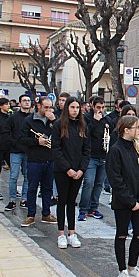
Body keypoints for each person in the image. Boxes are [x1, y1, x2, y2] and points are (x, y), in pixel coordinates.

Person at [106, 115, 139, 277]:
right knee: (122, 235)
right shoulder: (116, 150)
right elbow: (115, 179)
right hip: (123, 202)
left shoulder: (137, 147)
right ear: (126, 130)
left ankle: (132, 267)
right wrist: (131, 201)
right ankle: (122, 270)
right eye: (136, 128)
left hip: (138, 201)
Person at [52, 97, 90, 248]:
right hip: (62, 170)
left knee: (72, 202)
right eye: (72, 107)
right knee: (62, 201)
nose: (75, 110)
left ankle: (72, 233)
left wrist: (81, 169)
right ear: (67, 108)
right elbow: (56, 149)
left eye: (77, 107)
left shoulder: (83, 126)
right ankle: (61, 233)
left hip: (78, 171)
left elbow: (87, 150)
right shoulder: (58, 125)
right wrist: (67, 169)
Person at [19, 97, 57, 227]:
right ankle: (31, 215)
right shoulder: (29, 121)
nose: (48, 110)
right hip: (35, 159)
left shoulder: (53, 120)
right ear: (38, 106)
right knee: (32, 188)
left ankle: (46, 214)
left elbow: (62, 135)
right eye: (46, 107)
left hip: (50, 159)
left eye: (50, 107)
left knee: (48, 188)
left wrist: (54, 121)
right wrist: (37, 142)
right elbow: (21, 139)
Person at [79, 97, 112, 221]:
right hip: (90, 157)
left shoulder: (107, 120)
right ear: (92, 106)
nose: (101, 110)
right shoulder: (86, 118)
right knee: (88, 183)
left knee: (99, 185)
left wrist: (109, 140)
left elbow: (112, 134)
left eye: (103, 108)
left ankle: (93, 208)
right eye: (98, 107)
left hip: (103, 156)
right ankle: (83, 210)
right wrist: (95, 121)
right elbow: (84, 134)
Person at [5, 94, 32, 211]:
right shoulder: (13, 117)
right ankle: (11, 200)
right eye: (24, 101)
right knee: (13, 176)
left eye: (28, 100)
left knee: (27, 177)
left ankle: (24, 199)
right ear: (20, 103)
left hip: (29, 151)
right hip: (15, 151)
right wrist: (14, 143)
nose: (27, 102)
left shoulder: (33, 117)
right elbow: (7, 132)